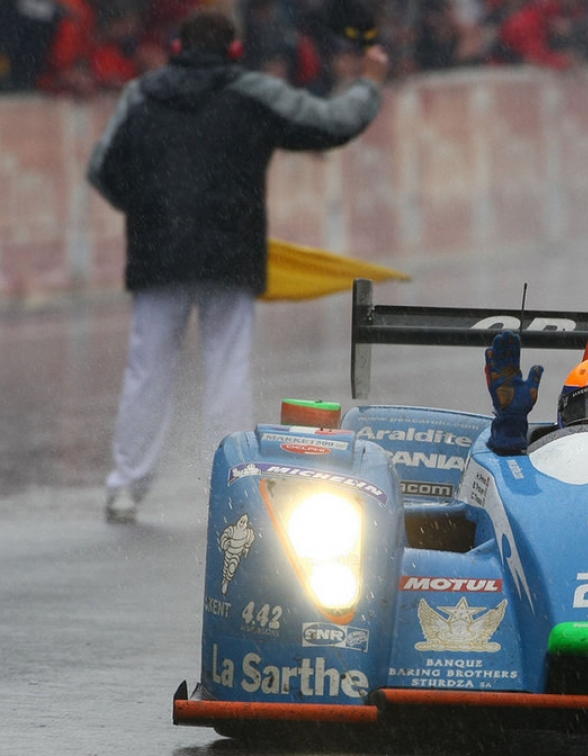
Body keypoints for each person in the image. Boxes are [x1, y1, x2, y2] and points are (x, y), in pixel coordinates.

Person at [87, 8, 389, 523]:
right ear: (233, 50)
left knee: (146, 372)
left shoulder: (141, 95)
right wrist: (367, 84)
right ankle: (229, 487)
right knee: (227, 371)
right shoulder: (254, 93)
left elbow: (103, 169)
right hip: (230, 254)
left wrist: (149, 209)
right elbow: (331, 124)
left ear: (177, 48)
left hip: (158, 254)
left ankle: (125, 487)